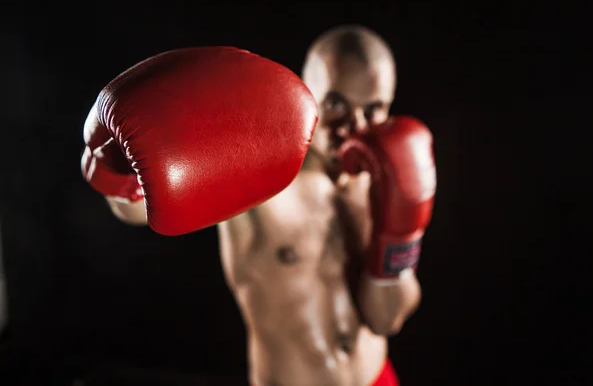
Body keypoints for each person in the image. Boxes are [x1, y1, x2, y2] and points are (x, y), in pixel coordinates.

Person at [83, 27, 436, 386]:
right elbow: (137, 211)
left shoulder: (388, 174)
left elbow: (386, 320)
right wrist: (118, 177)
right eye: (336, 104)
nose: (354, 127)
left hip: (377, 378)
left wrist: (399, 237)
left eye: (374, 109)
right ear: (307, 90)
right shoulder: (260, 166)